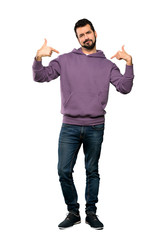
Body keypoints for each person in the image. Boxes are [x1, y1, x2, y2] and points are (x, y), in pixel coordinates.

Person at [32, 18, 134, 230]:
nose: (86, 37)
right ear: (78, 38)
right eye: (81, 35)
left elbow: (124, 87)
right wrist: (37, 58)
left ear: (95, 34)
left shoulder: (107, 65)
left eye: (88, 33)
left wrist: (129, 63)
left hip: (95, 126)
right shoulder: (65, 60)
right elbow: (41, 77)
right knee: (63, 170)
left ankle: (91, 212)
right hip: (69, 125)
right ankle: (73, 211)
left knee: (92, 170)